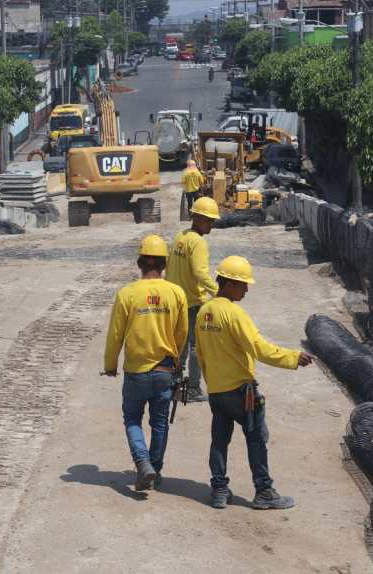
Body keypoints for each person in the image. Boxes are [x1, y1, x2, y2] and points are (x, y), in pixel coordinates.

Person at [195, 256, 315, 509]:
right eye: (243, 285)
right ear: (228, 284)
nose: (247, 289)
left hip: (217, 390)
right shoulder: (234, 313)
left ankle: (219, 490)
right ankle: (264, 491)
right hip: (241, 392)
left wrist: (211, 383)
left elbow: (201, 354)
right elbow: (259, 348)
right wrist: (293, 358)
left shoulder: (204, 312)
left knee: (219, 440)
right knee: (256, 438)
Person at [104, 235, 189, 492]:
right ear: (164, 264)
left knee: (132, 419)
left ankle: (143, 463)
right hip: (164, 369)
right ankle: (156, 468)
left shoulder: (127, 294)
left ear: (140, 262)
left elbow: (115, 334)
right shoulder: (176, 293)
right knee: (160, 422)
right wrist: (175, 359)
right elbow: (182, 333)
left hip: (136, 372)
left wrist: (110, 364)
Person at [166, 196, 220, 403]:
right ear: (196, 218)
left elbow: (170, 266)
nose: (211, 225)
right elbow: (200, 272)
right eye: (208, 220)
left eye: (213, 221)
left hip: (177, 301)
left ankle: (174, 385)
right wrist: (218, 292)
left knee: (179, 345)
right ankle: (194, 389)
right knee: (198, 347)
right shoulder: (198, 242)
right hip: (193, 303)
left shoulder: (181, 236)